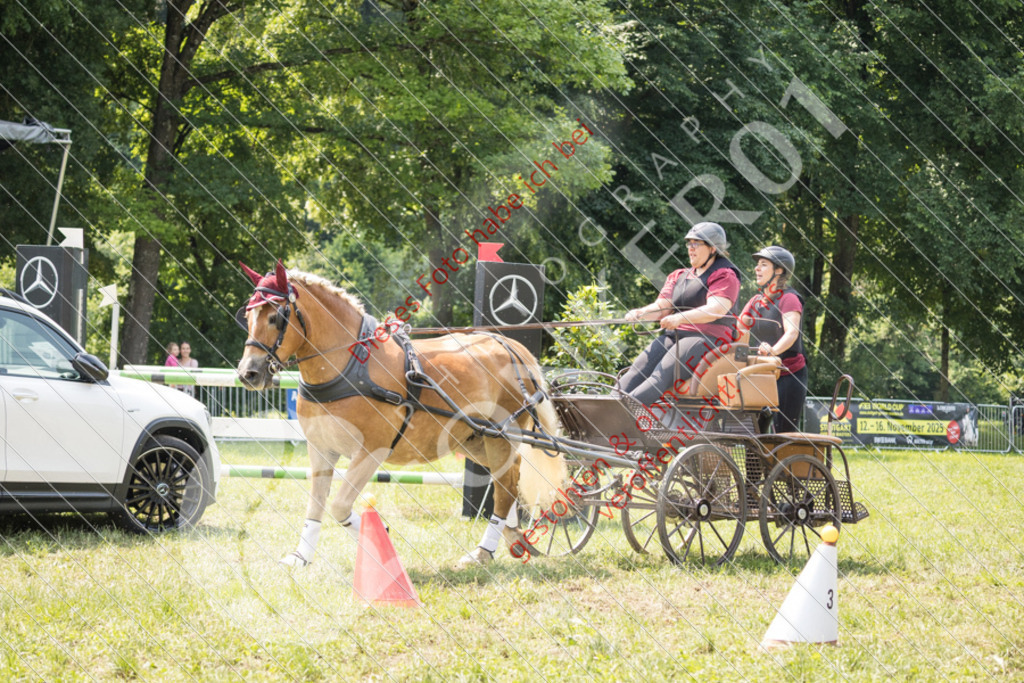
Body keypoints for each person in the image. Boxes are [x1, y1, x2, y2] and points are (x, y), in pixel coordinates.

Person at [617, 222, 741, 414]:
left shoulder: (725, 275)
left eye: (696, 244)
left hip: (707, 338)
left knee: (661, 375)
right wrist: (640, 313)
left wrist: (681, 318)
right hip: (675, 334)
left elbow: (716, 309)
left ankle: (621, 414)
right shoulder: (679, 276)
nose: (690, 249)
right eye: (689, 244)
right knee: (636, 370)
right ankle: (607, 408)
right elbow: (662, 307)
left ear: (713, 248)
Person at [738, 246, 807, 433]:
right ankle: (755, 464)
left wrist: (773, 351)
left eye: (763, 264)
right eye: (757, 265)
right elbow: (737, 329)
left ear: (779, 270)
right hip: (761, 374)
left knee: (783, 434)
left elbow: (791, 333)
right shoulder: (755, 301)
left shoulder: (789, 298)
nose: (756, 269)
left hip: (788, 375)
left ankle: (788, 462)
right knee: (753, 431)